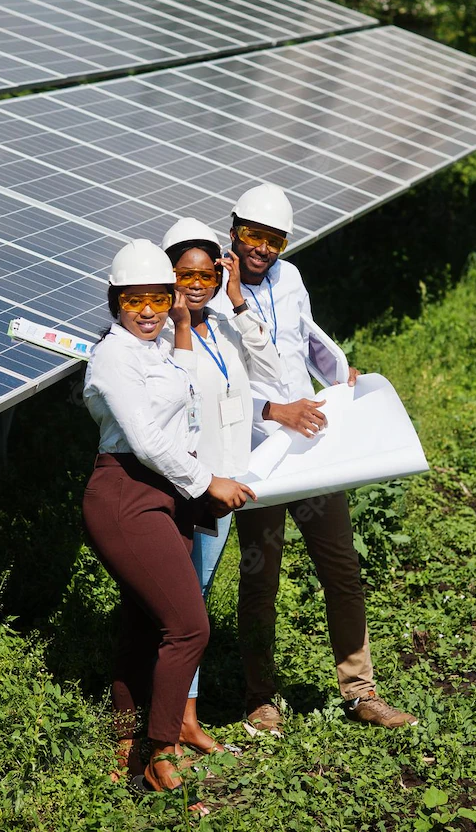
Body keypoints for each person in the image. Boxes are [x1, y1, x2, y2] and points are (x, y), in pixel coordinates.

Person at [212, 183, 419, 734]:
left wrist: (339, 376)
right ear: (234, 229)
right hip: (257, 454)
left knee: (341, 567)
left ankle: (361, 692)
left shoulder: (291, 278)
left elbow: (307, 337)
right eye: (253, 235)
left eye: (274, 239)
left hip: (312, 446)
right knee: (261, 577)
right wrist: (275, 410)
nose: (262, 248)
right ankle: (261, 698)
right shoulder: (211, 291)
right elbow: (214, 385)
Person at [80, 239, 255, 813]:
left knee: (143, 625)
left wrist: (182, 325)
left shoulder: (156, 349)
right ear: (115, 301)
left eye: (160, 297)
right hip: (126, 495)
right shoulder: (114, 357)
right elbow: (150, 440)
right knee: (190, 627)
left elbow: (182, 382)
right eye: (136, 300)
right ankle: (161, 753)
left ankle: (124, 749)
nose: (149, 310)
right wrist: (208, 483)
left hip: (164, 496)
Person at [158, 217, 282, 756]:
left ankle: (183, 717)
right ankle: (172, 722)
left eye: (209, 272)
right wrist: (180, 322)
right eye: (187, 274)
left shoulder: (227, 324)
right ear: (167, 276)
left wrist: (239, 302)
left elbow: (272, 371)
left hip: (228, 483)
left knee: (196, 602)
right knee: (184, 609)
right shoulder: (158, 335)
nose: (198, 283)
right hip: (191, 486)